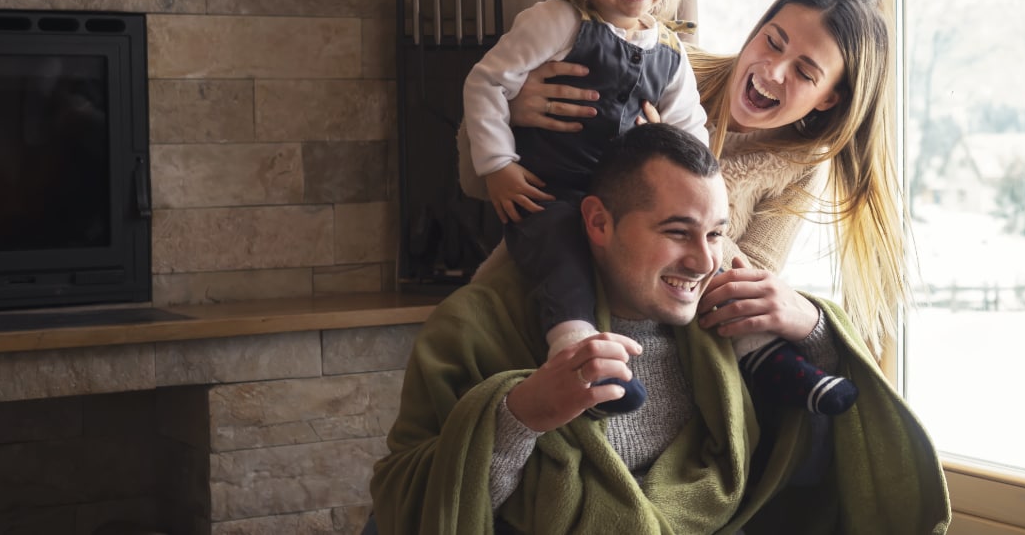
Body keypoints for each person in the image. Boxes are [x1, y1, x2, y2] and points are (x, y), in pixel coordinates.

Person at [371, 124, 949, 533]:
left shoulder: (727, 324)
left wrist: (816, 328)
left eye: (716, 234)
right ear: (599, 222)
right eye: (677, 232)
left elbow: (825, 443)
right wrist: (520, 417)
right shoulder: (476, 328)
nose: (704, 261)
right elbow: (404, 503)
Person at [461, 0, 849, 417]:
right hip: (555, 215)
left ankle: (768, 364)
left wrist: (670, 175)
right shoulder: (615, 41)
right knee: (550, 269)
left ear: (831, 98)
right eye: (772, 41)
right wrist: (516, 119)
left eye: (805, 71)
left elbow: (736, 267)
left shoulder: (675, 65)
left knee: (714, 256)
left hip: (657, 310)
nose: (772, 71)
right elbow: (484, 99)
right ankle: (579, 360)